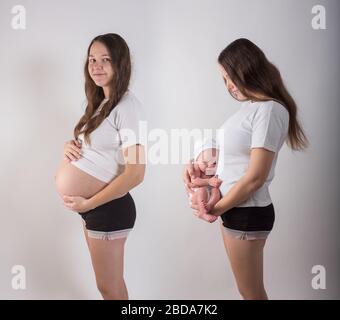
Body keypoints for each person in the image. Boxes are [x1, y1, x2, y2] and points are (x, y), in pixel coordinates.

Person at [183, 38, 308, 300]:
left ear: (249, 69)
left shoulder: (270, 110)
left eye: (231, 76)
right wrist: (196, 161)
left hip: (246, 212)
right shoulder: (249, 109)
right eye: (224, 79)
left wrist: (217, 208)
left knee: (251, 293)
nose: (229, 86)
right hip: (235, 208)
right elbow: (221, 147)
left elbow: (255, 178)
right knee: (246, 291)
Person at [55, 33, 146, 300]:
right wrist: (67, 147)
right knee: (110, 285)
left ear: (121, 64)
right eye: (92, 59)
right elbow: (95, 151)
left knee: (109, 287)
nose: (96, 66)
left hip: (108, 208)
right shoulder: (101, 105)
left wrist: (89, 204)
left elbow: (136, 172)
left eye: (105, 59)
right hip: (96, 209)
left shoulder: (128, 106)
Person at [189, 141, 221, 223]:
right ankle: (202, 213)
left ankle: (209, 205)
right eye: (205, 162)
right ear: (197, 161)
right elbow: (195, 181)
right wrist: (209, 181)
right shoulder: (196, 168)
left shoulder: (216, 169)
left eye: (214, 162)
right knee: (202, 190)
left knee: (216, 191)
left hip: (208, 195)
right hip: (196, 194)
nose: (209, 165)